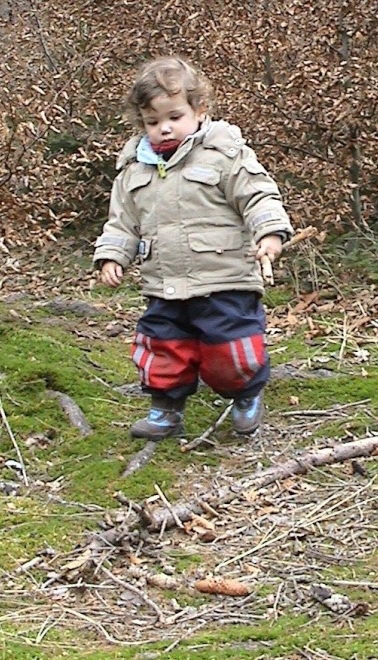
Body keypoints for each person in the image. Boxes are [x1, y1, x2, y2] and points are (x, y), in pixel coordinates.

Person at [94, 56, 293, 441]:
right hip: (163, 282)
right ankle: (166, 409)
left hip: (224, 277)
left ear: (200, 111)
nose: (164, 128)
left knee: (230, 348)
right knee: (163, 346)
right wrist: (112, 255)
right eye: (153, 122)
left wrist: (269, 232)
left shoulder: (224, 154)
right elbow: (122, 220)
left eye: (174, 117)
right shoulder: (135, 169)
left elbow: (258, 195)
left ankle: (246, 395)